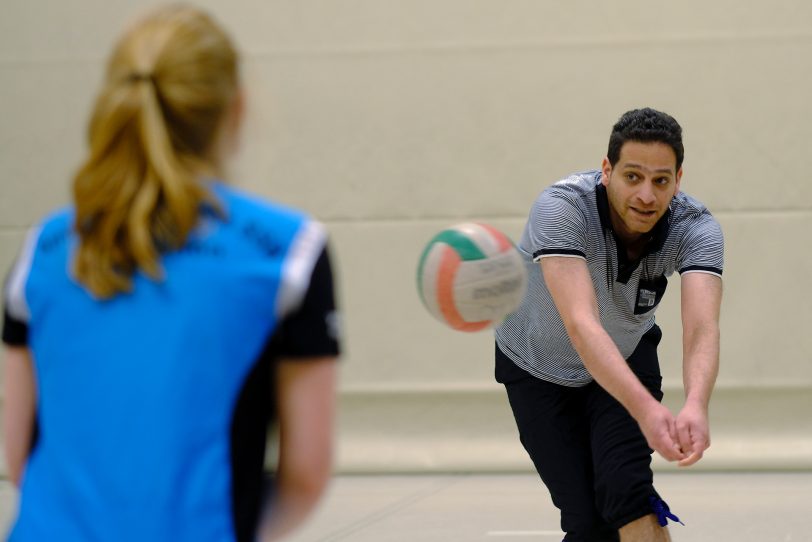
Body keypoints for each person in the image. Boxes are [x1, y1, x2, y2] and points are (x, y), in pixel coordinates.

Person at [2, 5, 339, 541]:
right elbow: (305, 473)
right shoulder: (286, 254)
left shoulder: (42, 251)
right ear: (236, 109)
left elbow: (20, 458)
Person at [495, 108, 723, 541]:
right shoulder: (561, 208)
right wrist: (649, 411)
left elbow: (702, 328)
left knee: (626, 492)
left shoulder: (695, 226)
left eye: (661, 181)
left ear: (678, 179)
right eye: (632, 176)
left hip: (625, 353)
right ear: (607, 170)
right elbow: (582, 326)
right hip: (535, 364)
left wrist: (696, 403)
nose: (646, 195)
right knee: (587, 524)